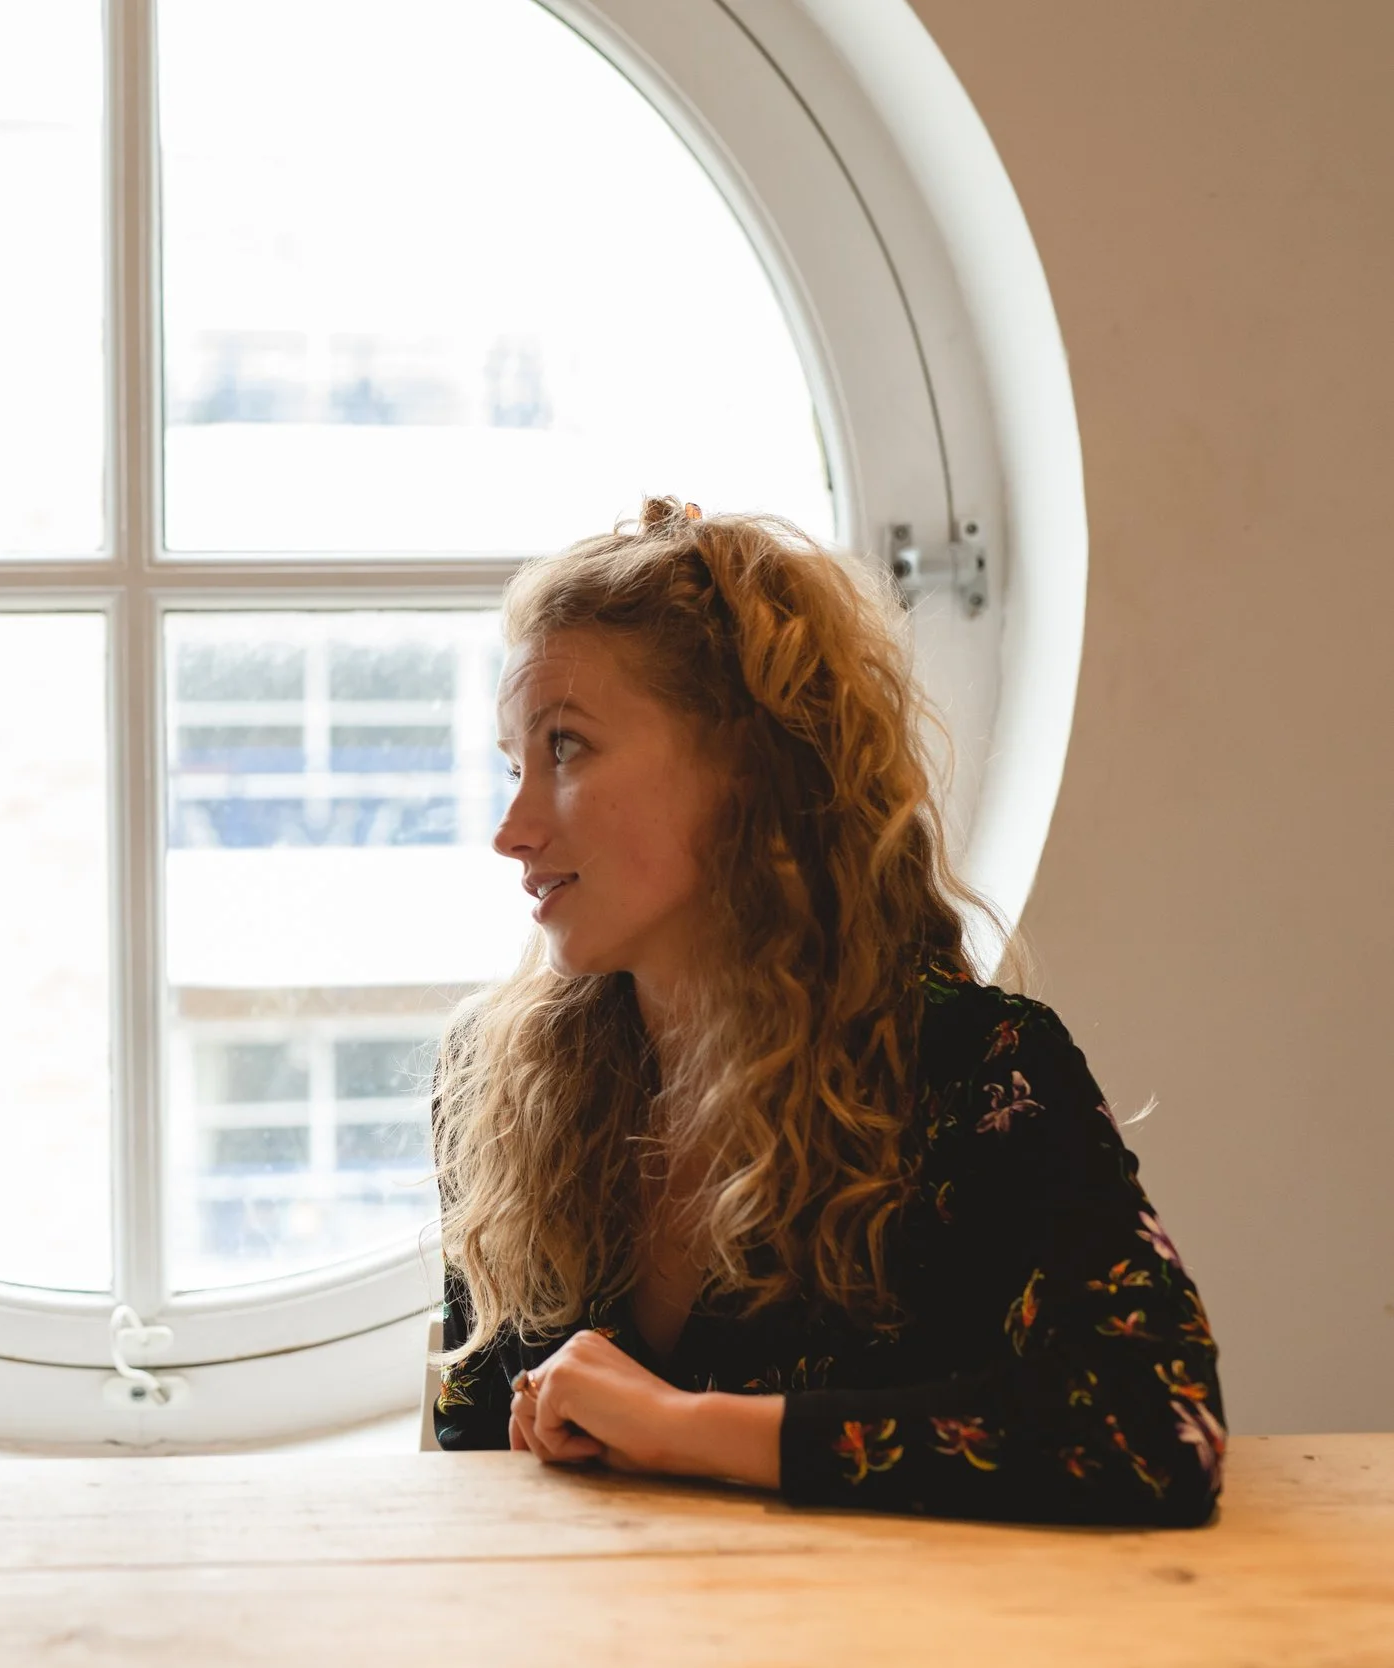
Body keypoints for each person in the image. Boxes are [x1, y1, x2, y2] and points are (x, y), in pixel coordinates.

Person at [431, 497, 1223, 1526]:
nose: (512, 828)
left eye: (566, 749)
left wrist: (681, 1427)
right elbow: (468, 1467)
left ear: (746, 773)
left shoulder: (976, 1072)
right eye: (511, 766)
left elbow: (1152, 1429)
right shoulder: (492, 1092)